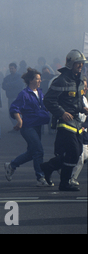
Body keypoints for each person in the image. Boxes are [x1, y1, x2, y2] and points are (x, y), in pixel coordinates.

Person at [41, 49, 88, 191]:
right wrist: (62, 113)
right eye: (78, 63)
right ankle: (64, 183)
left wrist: (83, 109)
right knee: (73, 151)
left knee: (77, 152)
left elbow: (77, 101)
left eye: (82, 64)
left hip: (77, 122)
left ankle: (48, 167)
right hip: (64, 122)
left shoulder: (79, 80)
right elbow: (48, 100)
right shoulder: (61, 80)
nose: (80, 66)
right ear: (71, 64)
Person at [4, 68, 51, 186]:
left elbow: (46, 106)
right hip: (28, 127)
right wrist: (19, 121)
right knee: (39, 151)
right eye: (37, 79)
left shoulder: (40, 93)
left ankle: (12, 165)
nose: (40, 81)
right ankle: (40, 177)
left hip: (37, 126)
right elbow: (14, 108)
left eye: (40, 79)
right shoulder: (24, 94)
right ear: (30, 80)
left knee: (32, 152)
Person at [70, 76, 88, 186]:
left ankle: (57, 165)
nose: (85, 89)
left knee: (84, 155)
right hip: (73, 130)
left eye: (86, 87)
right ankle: (72, 178)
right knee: (80, 156)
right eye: (83, 87)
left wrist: (83, 126)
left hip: (83, 130)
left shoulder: (85, 99)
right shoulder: (72, 98)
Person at [2, 62, 24, 130]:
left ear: (16, 68)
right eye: (10, 68)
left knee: (17, 113)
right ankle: (17, 126)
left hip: (17, 97)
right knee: (11, 115)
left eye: (12, 68)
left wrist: (9, 85)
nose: (11, 70)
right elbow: (3, 86)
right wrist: (12, 85)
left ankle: (20, 127)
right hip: (10, 97)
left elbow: (19, 85)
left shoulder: (19, 76)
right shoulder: (7, 77)